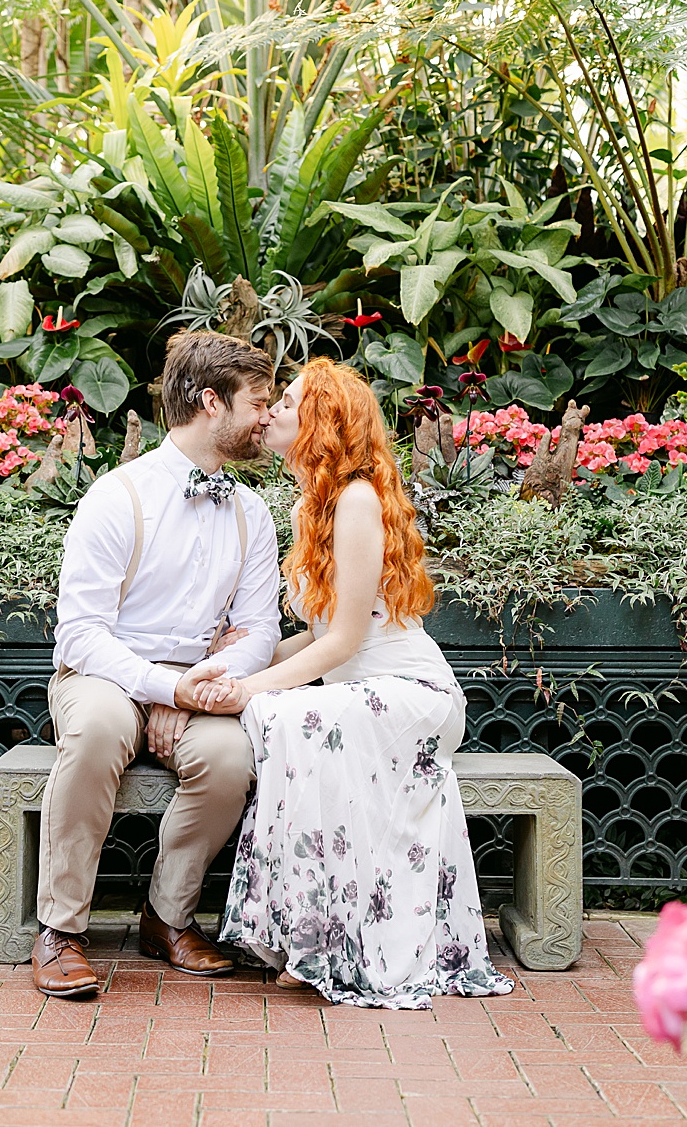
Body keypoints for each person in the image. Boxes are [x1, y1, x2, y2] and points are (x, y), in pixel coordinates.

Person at [191, 358, 514, 1009]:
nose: (273, 409)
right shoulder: (314, 502)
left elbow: (343, 644)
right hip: (358, 693)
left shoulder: (359, 499)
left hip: (412, 694)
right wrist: (232, 665)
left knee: (292, 718)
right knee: (297, 718)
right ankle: (321, 936)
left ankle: (321, 940)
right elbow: (317, 637)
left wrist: (252, 691)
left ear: (322, 419)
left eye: (288, 400)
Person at [32, 330, 283, 998]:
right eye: (258, 401)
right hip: (104, 675)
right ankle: (60, 928)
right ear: (210, 402)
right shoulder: (118, 496)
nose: (267, 415)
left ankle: (166, 917)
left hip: (199, 681)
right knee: (96, 732)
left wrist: (195, 688)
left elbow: (261, 629)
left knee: (231, 758)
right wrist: (164, 684)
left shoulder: (253, 513)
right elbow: (82, 633)